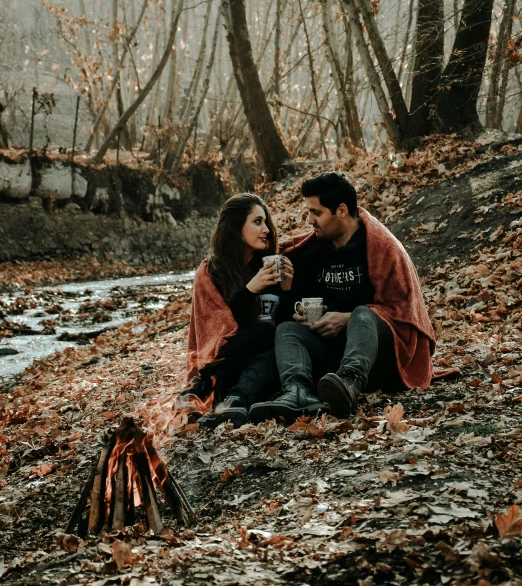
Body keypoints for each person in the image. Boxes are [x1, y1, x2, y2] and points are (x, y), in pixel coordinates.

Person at [249, 171, 454, 424]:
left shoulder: (382, 248)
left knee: (362, 314)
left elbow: (404, 312)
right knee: (288, 330)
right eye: (309, 212)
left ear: (342, 210)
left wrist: (347, 318)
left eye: (317, 213)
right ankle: (297, 391)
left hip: (379, 357)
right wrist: (299, 308)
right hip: (332, 356)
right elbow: (297, 301)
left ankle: (349, 382)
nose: (310, 220)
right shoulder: (314, 249)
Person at [179, 193, 293, 428]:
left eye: (266, 222)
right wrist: (251, 289)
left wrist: (288, 290)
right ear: (236, 227)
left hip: (259, 360)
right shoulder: (213, 270)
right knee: (264, 333)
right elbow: (220, 330)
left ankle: (234, 401)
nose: (266, 230)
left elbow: (283, 322)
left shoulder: (269, 265)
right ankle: (204, 387)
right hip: (225, 360)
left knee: (275, 343)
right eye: (257, 222)